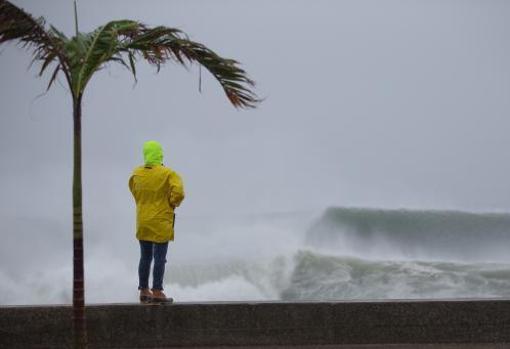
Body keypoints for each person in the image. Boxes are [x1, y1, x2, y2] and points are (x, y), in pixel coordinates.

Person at [129, 140, 185, 304]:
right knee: (160, 257)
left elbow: (133, 189)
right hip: (160, 220)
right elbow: (179, 193)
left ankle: (144, 291)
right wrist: (172, 203)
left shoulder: (137, 173)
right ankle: (158, 291)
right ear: (160, 154)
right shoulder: (168, 173)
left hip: (143, 220)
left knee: (145, 257)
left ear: (145, 154)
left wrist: (143, 202)